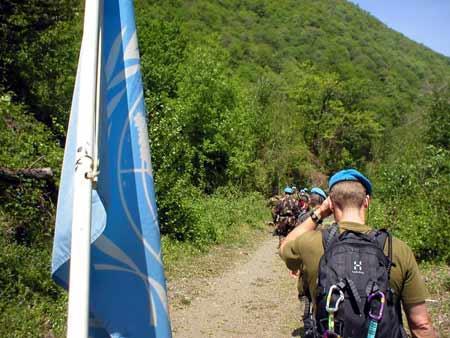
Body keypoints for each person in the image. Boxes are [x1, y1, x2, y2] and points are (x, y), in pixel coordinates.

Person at [280, 169, 436, 338]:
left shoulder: (310, 244)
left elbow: (284, 247)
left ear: (331, 203)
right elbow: (421, 324)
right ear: (367, 201)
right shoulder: (397, 249)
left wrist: (319, 213)